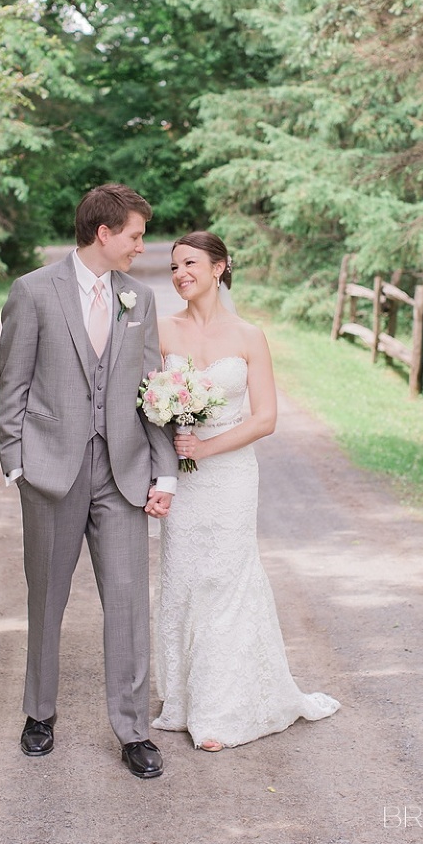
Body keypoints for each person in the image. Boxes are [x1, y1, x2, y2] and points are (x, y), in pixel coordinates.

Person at [0, 183, 179, 779]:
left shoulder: (138, 298)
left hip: (123, 472)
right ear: (104, 233)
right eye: (135, 235)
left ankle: (133, 730)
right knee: (47, 597)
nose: (141, 246)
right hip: (50, 471)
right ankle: (39, 714)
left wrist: (165, 471)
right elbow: (13, 383)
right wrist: (15, 460)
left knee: (127, 602)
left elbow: (152, 390)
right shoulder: (33, 291)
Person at [152, 231, 340, 751]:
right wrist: (166, 459)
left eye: (190, 263)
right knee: (183, 578)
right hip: (183, 481)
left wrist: (205, 448)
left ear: (219, 267)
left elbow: (265, 418)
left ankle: (219, 710)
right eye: (174, 267)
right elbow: (145, 403)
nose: (180, 274)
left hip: (231, 476)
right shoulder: (162, 330)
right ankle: (182, 699)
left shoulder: (249, 336)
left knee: (225, 580)